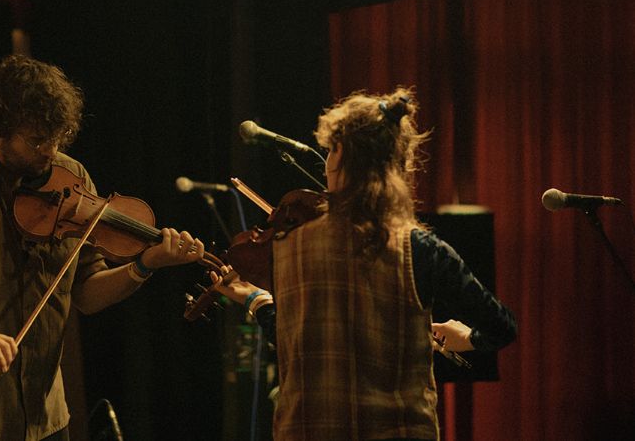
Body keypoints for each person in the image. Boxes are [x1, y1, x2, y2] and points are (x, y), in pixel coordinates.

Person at [0, 55, 205, 441]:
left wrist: (145, 265)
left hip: (45, 416)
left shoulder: (73, 178)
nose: (50, 150)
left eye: (57, 137)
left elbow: (87, 292)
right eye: (37, 140)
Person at [212, 88, 516, 440]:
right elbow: (501, 327)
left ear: (340, 153)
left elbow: (292, 342)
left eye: (330, 150)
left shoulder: (285, 246)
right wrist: (469, 338)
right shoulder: (421, 249)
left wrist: (254, 299)